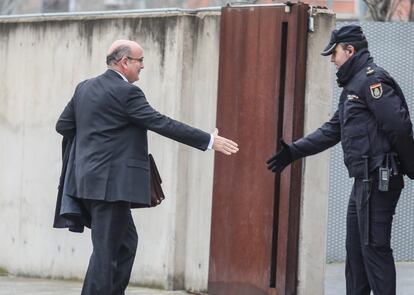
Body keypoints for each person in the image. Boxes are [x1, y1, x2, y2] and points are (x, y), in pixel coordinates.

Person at [55, 39, 239, 295]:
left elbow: (63, 125)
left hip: (89, 182)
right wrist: (209, 140)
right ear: (124, 62)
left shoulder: (84, 88)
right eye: (140, 60)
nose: (143, 65)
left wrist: (97, 144)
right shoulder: (127, 93)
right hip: (112, 186)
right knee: (107, 252)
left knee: (125, 245)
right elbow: (160, 122)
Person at [266, 25, 414, 295]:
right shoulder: (353, 88)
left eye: (334, 54)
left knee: (374, 250)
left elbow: (399, 126)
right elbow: (332, 130)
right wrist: (293, 151)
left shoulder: (372, 82)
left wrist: (412, 167)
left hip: (379, 179)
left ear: (350, 49)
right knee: (356, 253)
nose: (332, 60)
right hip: (363, 181)